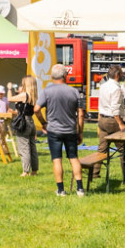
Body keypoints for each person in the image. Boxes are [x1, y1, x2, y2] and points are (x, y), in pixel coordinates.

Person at [38, 67, 84, 196]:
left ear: (52, 76)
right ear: (65, 75)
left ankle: (61, 190)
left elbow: (36, 109)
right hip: (70, 130)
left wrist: (43, 123)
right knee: (74, 158)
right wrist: (80, 131)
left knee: (57, 159)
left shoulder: (47, 91)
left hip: (54, 130)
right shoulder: (74, 91)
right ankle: (80, 189)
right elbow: (80, 114)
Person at [96, 67, 125, 178]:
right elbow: (114, 108)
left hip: (103, 119)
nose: (124, 75)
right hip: (113, 120)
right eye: (122, 73)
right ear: (117, 74)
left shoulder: (103, 86)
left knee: (102, 148)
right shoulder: (116, 88)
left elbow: (106, 103)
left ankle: (95, 172)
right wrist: (120, 123)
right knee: (123, 148)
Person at [11, 75, 39, 176]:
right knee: (32, 148)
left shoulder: (24, 95)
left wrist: (9, 88)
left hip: (24, 123)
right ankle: (34, 170)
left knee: (24, 148)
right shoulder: (34, 95)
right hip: (31, 121)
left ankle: (25, 171)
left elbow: (10, 98)